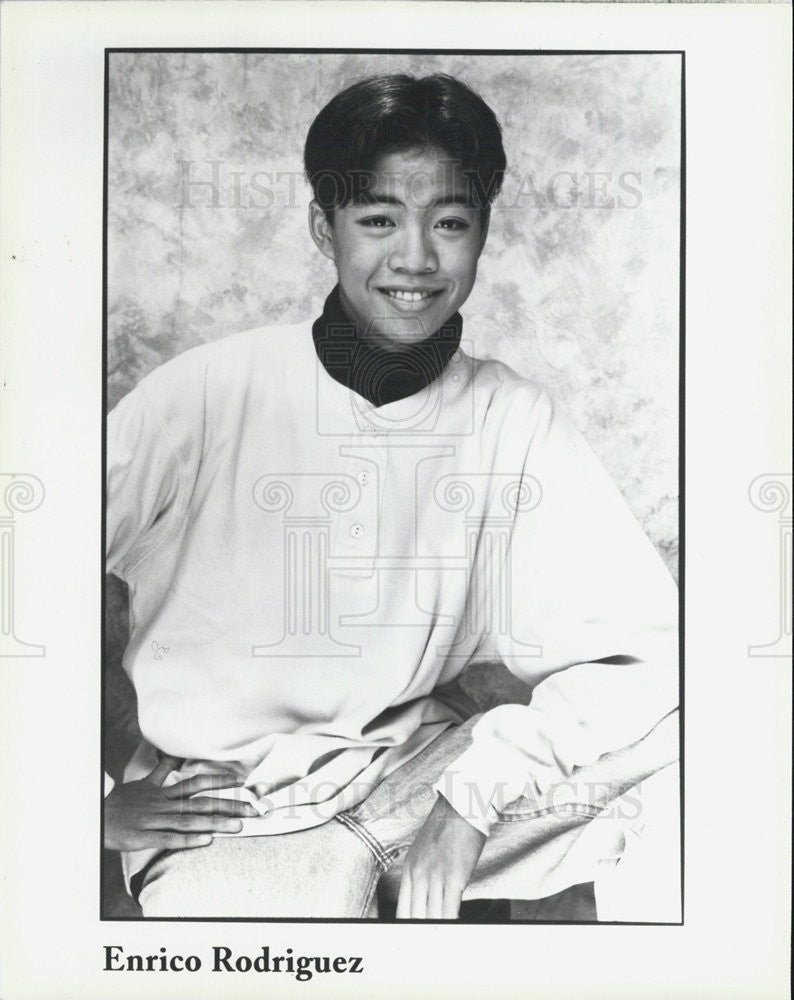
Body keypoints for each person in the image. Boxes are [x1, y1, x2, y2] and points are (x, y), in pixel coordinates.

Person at [104, 73, 680, 921]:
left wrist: (469, 799)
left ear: (482, 233)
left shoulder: (510, 414)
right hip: (229, 811)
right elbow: (24, 586)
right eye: (378, 220)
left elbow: (649, 650)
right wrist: (74, 799)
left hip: (415, 778)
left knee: (704, 740)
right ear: (321, 226)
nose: (415, 258)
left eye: (449, 222)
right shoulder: (202, 393)